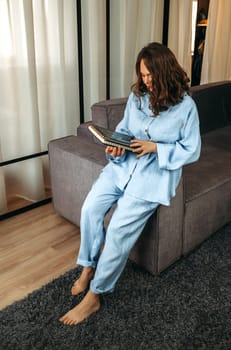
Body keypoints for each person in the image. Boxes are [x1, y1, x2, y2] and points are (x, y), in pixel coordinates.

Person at [59, 42, 201, 325]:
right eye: (143, 75)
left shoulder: (186, 107)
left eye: (151, 75)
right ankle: (87, 266)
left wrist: (155, 148)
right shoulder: (137, 96)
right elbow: (124, 129)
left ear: (166, 71)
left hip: (153, 177)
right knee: (90, 209)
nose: (146, 82)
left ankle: (95, 296)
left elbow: (192, 149)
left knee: (117, 233)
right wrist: (115, 145)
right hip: (122, 167)